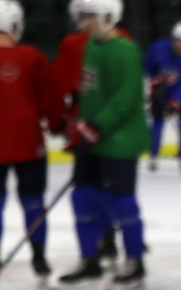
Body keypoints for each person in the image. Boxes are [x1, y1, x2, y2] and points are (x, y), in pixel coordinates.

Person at [58, 0, 151, 289]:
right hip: (94, 139)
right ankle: (90, 259)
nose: (85, 22)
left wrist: (98, 125)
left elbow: (126, 99)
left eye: (91, 17)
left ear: (108, 17)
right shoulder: (92, 47)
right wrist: (82, 123)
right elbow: (90, 92)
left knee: (121, 202)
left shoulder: (126, 50)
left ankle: (135, 261)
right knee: (82, 196)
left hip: (120, 140)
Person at [0, 0, 63, 282]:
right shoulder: (32, 57)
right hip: (28, 144)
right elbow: (49, 101)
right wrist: (57, 124)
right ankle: (39, 258)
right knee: (33, 202)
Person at [52, 0, 133, 265]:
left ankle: (93, 253)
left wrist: (65, 122)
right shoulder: (123, 40)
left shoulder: (73, 44)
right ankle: (109, 239)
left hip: (90, 129)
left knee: (87, 192)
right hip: (113, 132)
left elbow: (63, 86)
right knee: (107, 192)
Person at [145, 21, 181, 173]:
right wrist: (153, 81)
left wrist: (176, 101)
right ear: (173, 39)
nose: (180, 44)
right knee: (157, 124)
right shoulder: (159, 49)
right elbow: (147, 65)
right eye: (178, 40)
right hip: (160, 93)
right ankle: (153, 155)